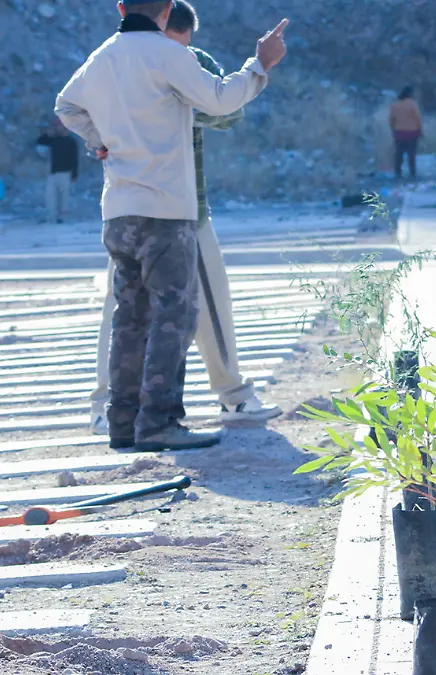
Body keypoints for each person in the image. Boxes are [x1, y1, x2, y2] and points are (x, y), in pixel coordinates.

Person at [55, 0, 288, 452]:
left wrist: (99, 140)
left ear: (121, 7)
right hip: (167, 209)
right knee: (174, 319)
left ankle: (122, 421)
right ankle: (160, 421)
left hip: (119, 209)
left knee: (129, 318)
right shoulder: (170, 54)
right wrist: (259, 64)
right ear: (166, 10)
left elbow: (66, 106)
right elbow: (222, 100)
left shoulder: (101, 57)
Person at [35, 119, 79, 223]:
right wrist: (48, 134)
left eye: (59, 126)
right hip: (52, 173)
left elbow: (74, 158)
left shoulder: (71, 141)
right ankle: (51, 217)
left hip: (66, 173)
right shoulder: (52, 140)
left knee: (64, 197)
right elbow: (39, 141)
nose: (57, 128)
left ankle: (62, 218)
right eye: (56, 126)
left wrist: (74, 173)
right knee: (50, 196)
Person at [389, 87, 422, 180]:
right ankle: (412, 172)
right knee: (411, 154)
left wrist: (394, 129)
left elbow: (391, 119)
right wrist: (420, 130)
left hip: (399, 132)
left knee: (399, 154)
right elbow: (418, 119)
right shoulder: (412, 104)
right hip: (412, 132)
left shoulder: (395, 105)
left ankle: (398, 172)